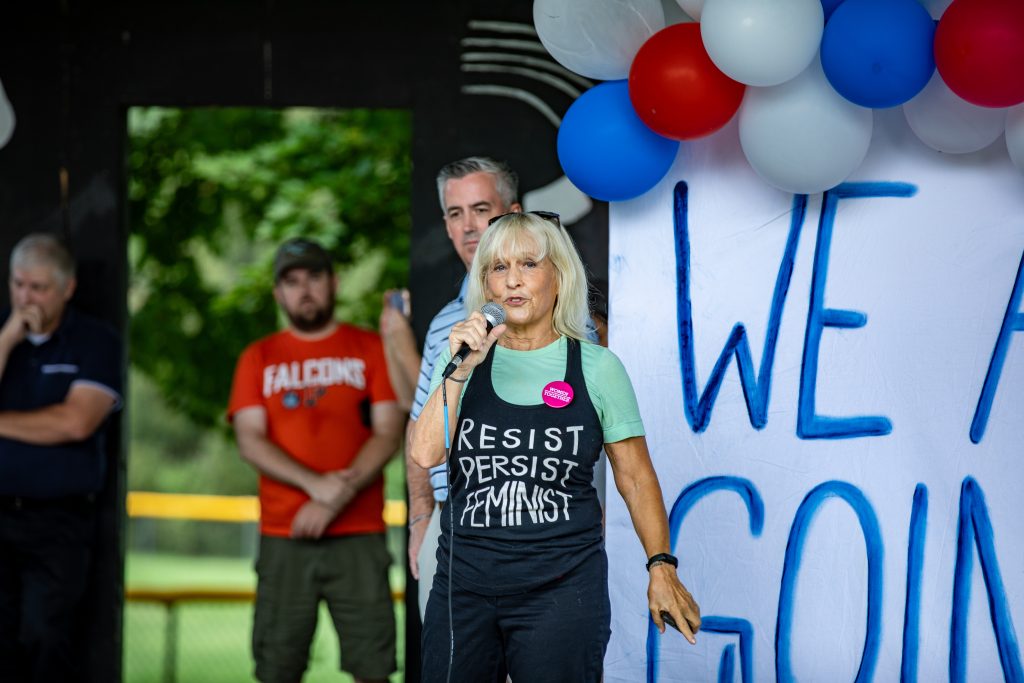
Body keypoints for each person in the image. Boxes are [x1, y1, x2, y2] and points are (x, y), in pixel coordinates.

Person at [411, 212, 701, 682]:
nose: (512, 281)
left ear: (560, 276)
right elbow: (426, 454)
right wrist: (461, 368)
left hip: (562, 590)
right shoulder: (461, 356)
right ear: (484, 284)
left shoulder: (598, 366)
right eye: (498, 268)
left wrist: (661, 566)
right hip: (463, 588)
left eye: (528, 264)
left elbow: (634, 475)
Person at [228, 237, 403, 683]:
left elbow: (389, 431)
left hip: (359, 536)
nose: (303, 289)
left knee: (374, 669)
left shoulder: (368, 347)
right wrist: (314, 485)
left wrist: (332, 498)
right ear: (278, 294)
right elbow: (250, 440)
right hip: (284, 536)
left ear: (334, 282)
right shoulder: (258, 357)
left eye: (314, 277)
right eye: (291, 281)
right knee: (277, 669)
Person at [380, 156, 522, 620]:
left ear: (514, 214)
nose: (469, 227)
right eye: (455, 214)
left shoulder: (558, 311)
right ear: (445, 226)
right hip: (452, 521)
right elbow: (419, 425)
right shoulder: (443, 323)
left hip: (537, 522)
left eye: (482, 209)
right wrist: (422, 516)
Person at [0, 233, 122, 682]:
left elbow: (76, 422)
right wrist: (9, 338)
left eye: (38, 288)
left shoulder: (94, 341)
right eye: (18, 285)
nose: (25, 298)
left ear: (67, 288)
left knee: (46, 638)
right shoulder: (3, 333)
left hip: (58, 522)